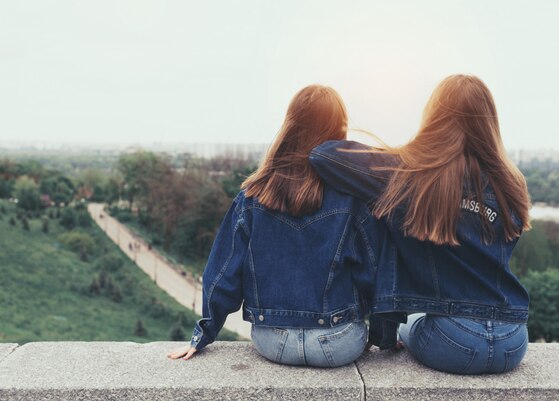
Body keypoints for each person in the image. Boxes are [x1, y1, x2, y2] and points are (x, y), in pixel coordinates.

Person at [309, 74, 532, 374]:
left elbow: (322, 156)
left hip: (455, 341)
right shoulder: (509, 183)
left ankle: (389, 332)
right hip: (513, 340)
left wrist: (398, 157)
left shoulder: (412, 174)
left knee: (412, 324)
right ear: (489, 122)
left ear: (434, 117)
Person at [167, 84, 392, 367]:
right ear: (339, 131)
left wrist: (203, 335)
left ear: (291, 125)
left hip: (273, 341)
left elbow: (223, 272)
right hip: (338, 341)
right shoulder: (352, 199)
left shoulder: (252, 196)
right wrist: (384, 334)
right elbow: (375, 270)